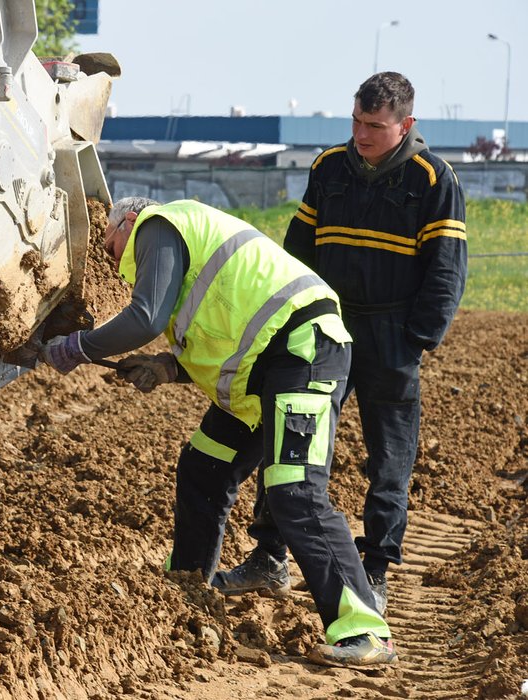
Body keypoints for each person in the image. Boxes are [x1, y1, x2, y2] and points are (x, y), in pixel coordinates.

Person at [38, 196, 396, 666]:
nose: (108, 253)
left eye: (107, 239)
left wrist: (78, 348)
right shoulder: (177, 259)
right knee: (203, 468)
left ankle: (365, 630)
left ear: (128, 218)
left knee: (296, 493)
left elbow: (143, 318)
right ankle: (188, 587)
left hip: (302, 351)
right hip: (259, 375)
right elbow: (221, 332)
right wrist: (168, 367)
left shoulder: (158, 224)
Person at [214, 72, 467, 616]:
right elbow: (298, 247)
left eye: (375, 126)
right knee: (292, 437)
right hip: (324, 327)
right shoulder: (328, 167)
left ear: (407, 125)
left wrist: (415, 340)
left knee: (389, 458)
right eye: (356, 121)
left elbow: (446, 271)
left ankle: (373, 570)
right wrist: (287, 311)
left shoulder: (433, 180)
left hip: (390, 335)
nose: (362, 134)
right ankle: (269, 555)